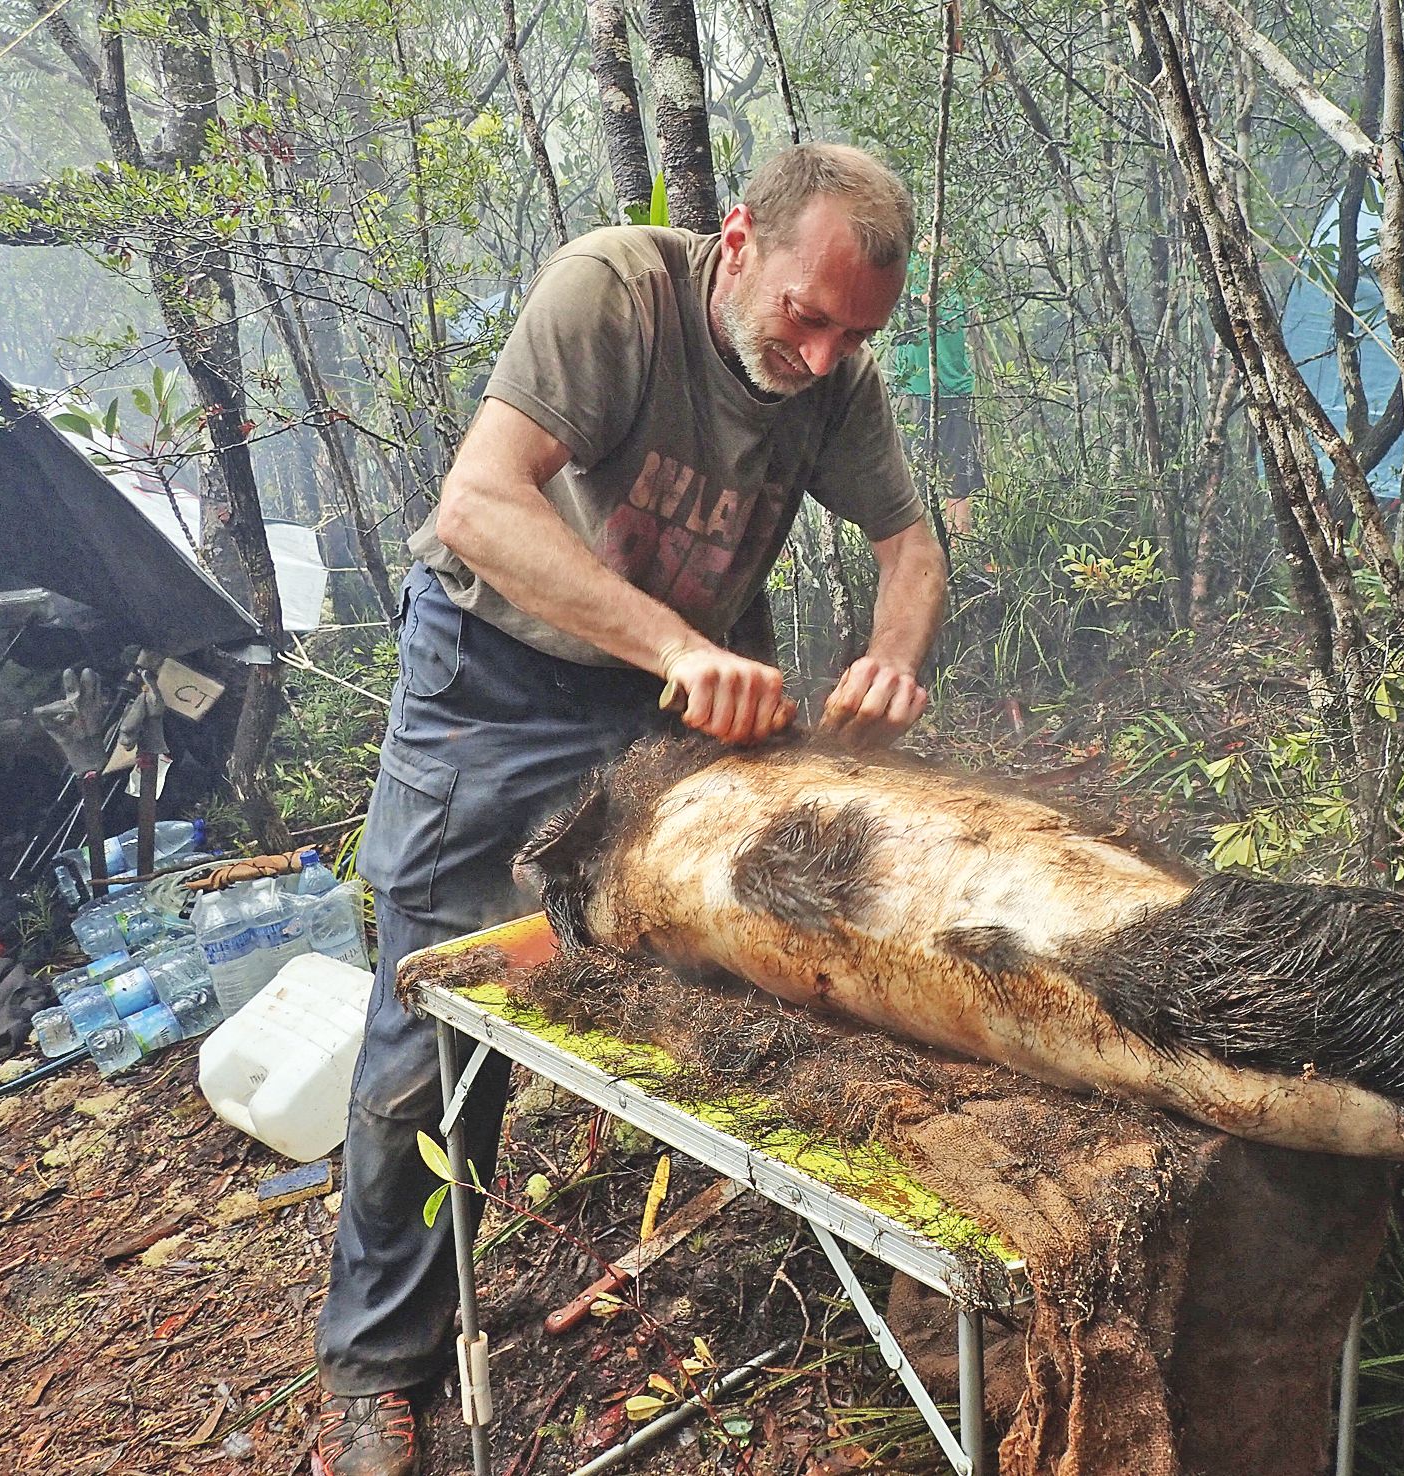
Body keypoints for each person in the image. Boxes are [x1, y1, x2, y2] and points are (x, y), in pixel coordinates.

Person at [312, 143, 947, 1476]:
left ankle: (768, 1269)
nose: (824, 357)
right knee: (433, 1024)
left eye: (855, 332)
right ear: (737, 243)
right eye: (805, 315)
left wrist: (893, 655)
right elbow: (479, 506)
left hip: (666, 699)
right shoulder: (615, 293)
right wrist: (673, 651)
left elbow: (910, 542)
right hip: (491, 683)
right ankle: (377, 1367)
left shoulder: (836, 379)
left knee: (750, 957)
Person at [885, 244, 984, 534]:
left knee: (959, 480)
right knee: (909, 481)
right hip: (912, 392)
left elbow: (981, 306)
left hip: (954, 390)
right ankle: (918, 557)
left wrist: (953, 272)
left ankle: (961, 554)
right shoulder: (903, 263)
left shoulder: (966, 272)